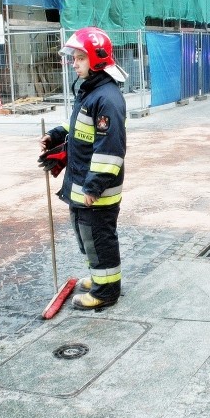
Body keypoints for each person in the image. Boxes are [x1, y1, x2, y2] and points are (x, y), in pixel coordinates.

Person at [41, 27, 128, 311]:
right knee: (87, 236)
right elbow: (79, 126)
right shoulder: (91, 92)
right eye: (74, 58)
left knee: (99, 238)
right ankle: (99, 277)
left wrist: (93, 186)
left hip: (97, 189)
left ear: (96, 59)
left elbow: (110, 149)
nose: (74, 63)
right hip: (83, 183)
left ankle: (106, 291)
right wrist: (56, 134)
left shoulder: (106, 98)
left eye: (80, 58)